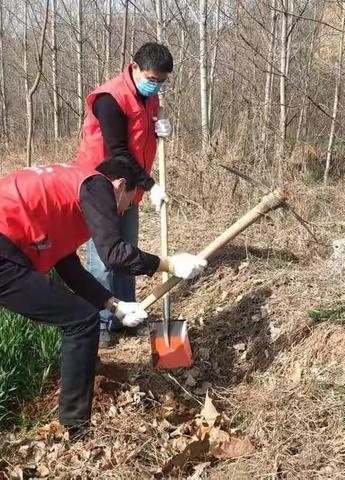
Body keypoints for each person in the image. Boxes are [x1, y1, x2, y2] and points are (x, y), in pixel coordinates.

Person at [0, 158, 206, 438]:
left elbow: (69, 268)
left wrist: (114, 305)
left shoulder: (71, 189)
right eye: (128, 204)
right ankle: (76, 428)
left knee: (82, 316)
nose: (121, 213)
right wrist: (168, 264)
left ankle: (79, 403)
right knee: (82, 321)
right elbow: (115, 254)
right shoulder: (97, 186)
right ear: (120, 186)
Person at [75, 42, 173, 345]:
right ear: (134, 68)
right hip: (101, 185)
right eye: (151, 78)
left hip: (129, 188)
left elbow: (139, 137)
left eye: (161, 81)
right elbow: (118, 152)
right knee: (104, 257)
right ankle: (103, 320)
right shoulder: (110, 99)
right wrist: (151, 184)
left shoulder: (149, 98)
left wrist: (159, 130)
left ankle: (130, 313)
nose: (155, 85)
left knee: (127, 251)